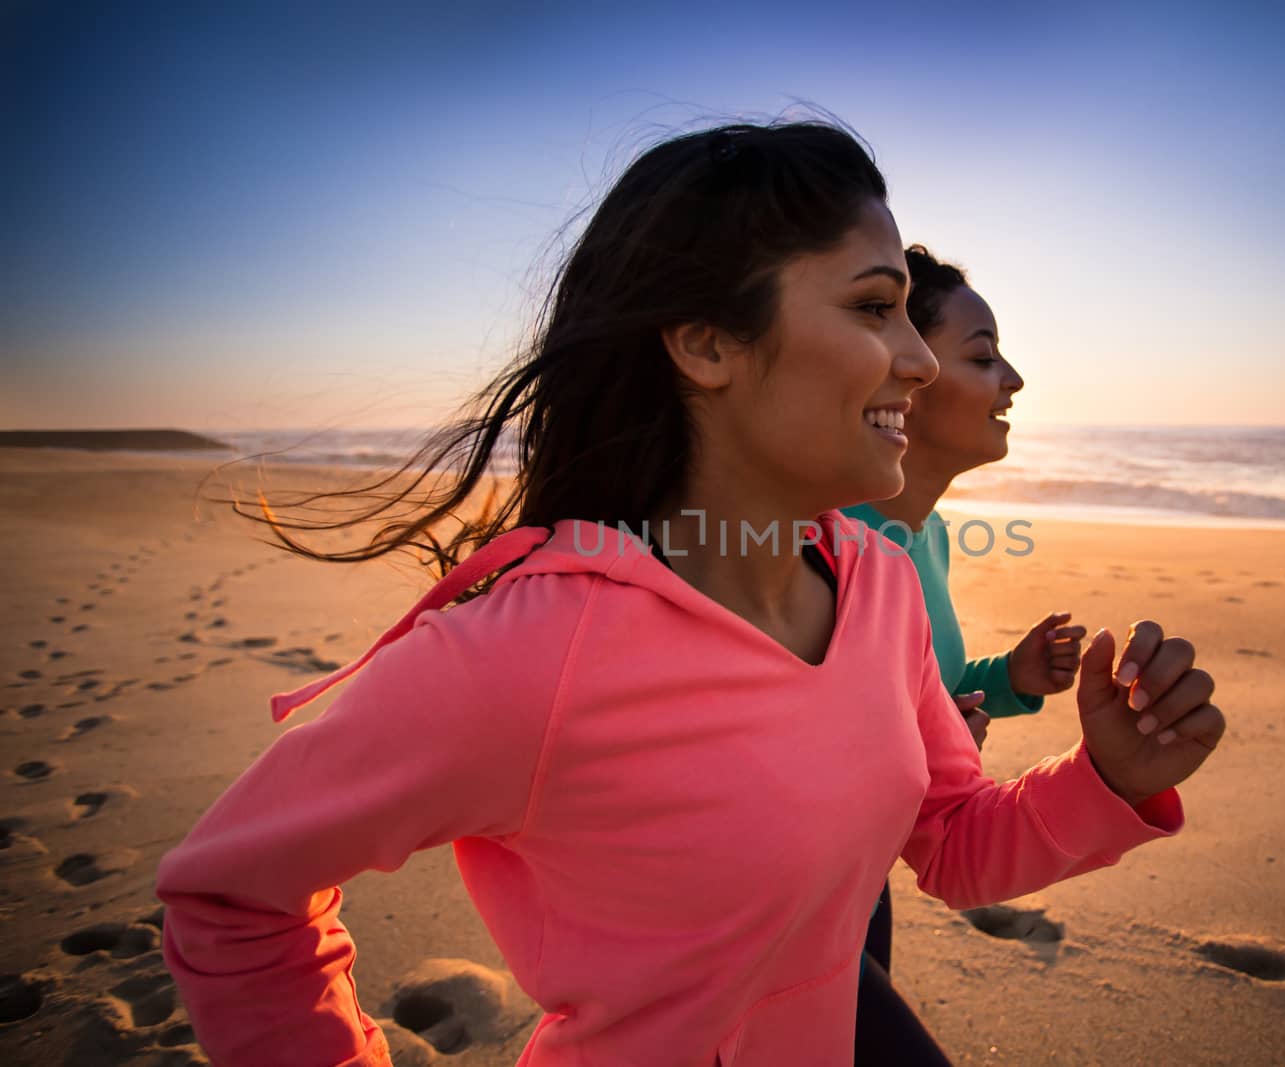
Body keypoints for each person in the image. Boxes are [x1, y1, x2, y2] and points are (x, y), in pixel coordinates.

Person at [155, 121, 1224, 1067]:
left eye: (911, 317)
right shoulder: (535, 646)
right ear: (705, 341)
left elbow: (947, 839)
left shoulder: (880, 584)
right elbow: (229, 892)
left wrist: (1106, 779)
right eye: (873, 308)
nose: (913, 361)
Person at [845, 245, 1089, 1065]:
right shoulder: (832, 541)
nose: (1012, 378)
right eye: (982, 356)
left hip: (866, 876)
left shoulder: (930, 535)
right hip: (802, 886)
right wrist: (918, 749)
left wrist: (1010, 681)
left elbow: (929, 694)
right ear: (905, 374)